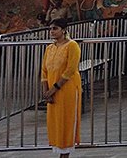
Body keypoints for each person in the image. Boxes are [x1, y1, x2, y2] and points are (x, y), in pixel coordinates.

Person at [40, 18, 81, 158]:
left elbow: (70, 70)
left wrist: (54, 88)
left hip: (67, 89)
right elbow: (44, 71)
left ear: (63, 30)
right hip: (52, 90)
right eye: (51, 28)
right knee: (55, 121)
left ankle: (65, 153)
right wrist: (46, 91)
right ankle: (59, 150)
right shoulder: (49, 48)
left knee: (66, 119)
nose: (52, 31)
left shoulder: (72, 46)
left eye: (55, 28)